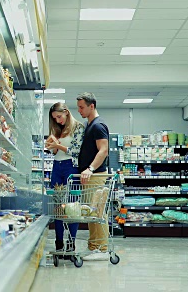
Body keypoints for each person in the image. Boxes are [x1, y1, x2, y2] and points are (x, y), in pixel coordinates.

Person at [45, 102, 85, 256]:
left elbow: (76, 151)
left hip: (71, 167)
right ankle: (59, 241)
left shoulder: (78, 128)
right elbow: (56, 152)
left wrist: (58, 145)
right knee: (58, 207)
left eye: (59, 117)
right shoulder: (57, 129)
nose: (57, 120)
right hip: (57, 167)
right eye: (54, 118)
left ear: (66, 112)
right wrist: (52, 146)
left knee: (72, 207)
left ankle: (71, 241)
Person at [76, 92, 110, 261]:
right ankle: (94, 246)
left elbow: (103, 150)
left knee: (97, 213)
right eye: (78, 107)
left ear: (92, 106)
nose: (79, 110)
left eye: (82, 107)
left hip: (95, 175)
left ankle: (102, 249)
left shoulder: (98, 125)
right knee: (92, 212)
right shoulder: (88, 124)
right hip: (90, 176)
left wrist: (90, 168)